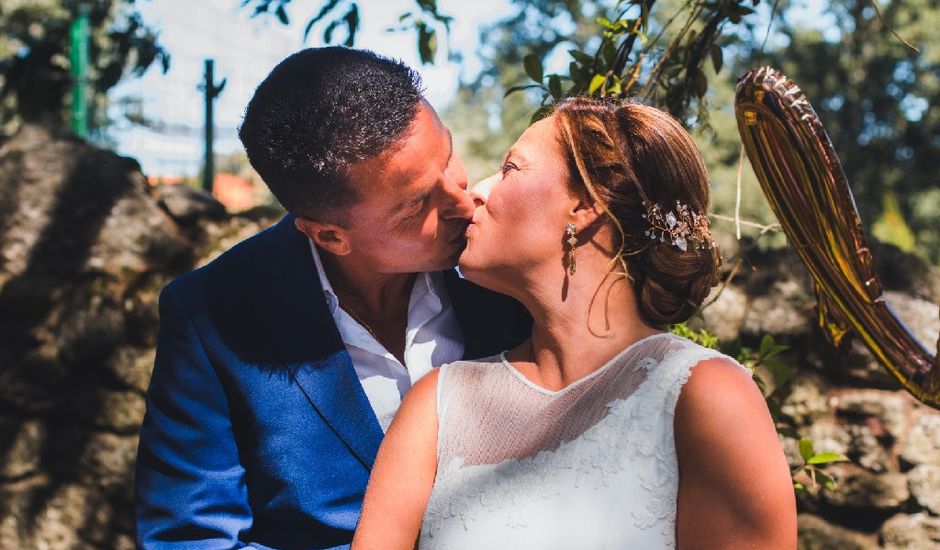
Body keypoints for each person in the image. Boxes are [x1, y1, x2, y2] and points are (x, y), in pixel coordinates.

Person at [352, 98, 798, 549]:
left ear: (585, 203)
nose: (476, 193)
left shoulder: (704, 396)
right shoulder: (436, 404)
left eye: (510, 169)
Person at [134, 47, 528, 549]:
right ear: (329, 236)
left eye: (448, 156)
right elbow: (190, 539)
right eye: (416, 205)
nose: (461, 200)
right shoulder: (211, 315)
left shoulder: (507, 263)